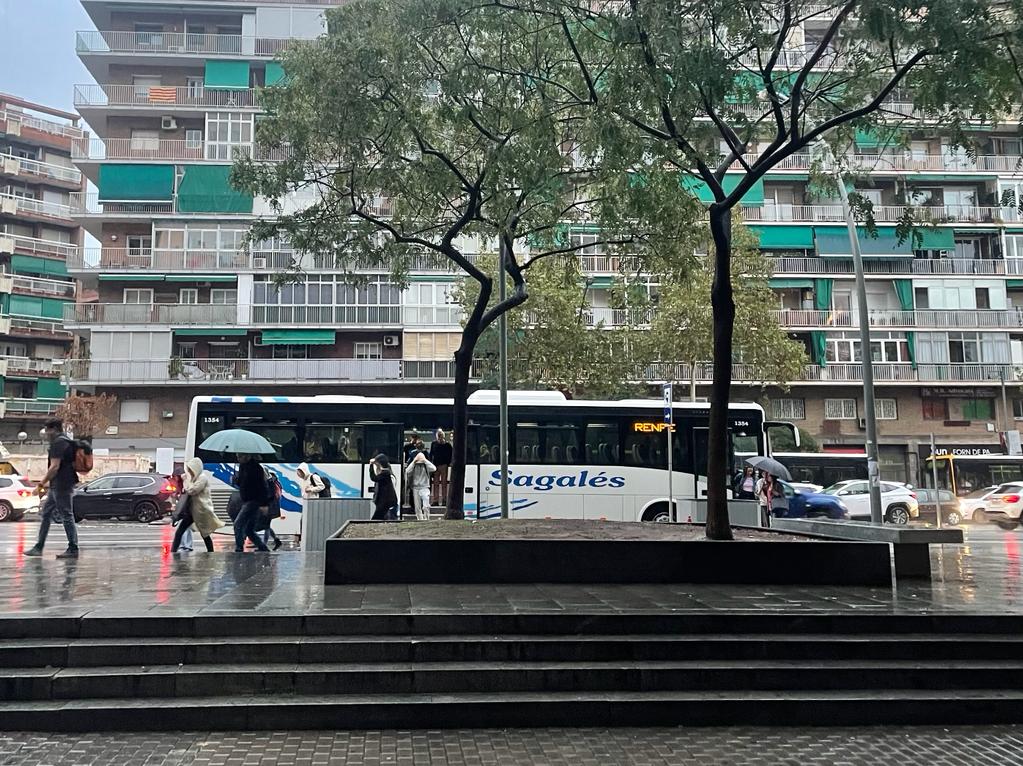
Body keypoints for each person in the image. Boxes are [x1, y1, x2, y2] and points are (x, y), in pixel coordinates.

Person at [24, 418, 80, 559]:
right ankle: (39, 546)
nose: (46, 433)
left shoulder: (58, 443)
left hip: (62, 485)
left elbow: (54, 467)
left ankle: (73, 548)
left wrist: (41, 484)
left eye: (47, 430)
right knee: (46, 514)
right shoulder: (66, 441)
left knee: (66, 515)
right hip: (61, 483)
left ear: (53, 429)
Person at [172, 458, 220, 553]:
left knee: (205, 533)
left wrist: (185, 481)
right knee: (180, 531)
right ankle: (173, 551)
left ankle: (211, 552)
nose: (189, 471)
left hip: (201, 510)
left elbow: (192, 491)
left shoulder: (202, 478)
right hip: (193, 510)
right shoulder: (195, 478)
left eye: (191, 469)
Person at [233, 454, 271, 552]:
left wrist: (264, 504)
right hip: (247, 500)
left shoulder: (256, 468)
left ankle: (239, 548)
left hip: (253, 501)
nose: (238, 458)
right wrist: (236, 480)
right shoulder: (242, 467)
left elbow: (262, 487)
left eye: (240, 456)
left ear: (247, 456)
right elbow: (241, 483)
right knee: (249, 529)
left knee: (238, 524)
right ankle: (263, 547)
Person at [405, 449, 436, 521]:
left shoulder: (426, 465)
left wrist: (425, 460)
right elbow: (407, 471)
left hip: (425, 487)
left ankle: (426, 518)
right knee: (417, 507)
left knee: (426, 506)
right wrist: (414, 461)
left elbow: (434, 468)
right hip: (415, 487)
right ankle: (420, 520)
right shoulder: (414, 465)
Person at [369, 454, 399, 521]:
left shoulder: (385, 474)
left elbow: (373, 478)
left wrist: (371, 465)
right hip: (385, 503)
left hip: (384, 503)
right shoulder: (387, 473)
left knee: (377, 519)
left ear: (379, 464)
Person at [428, 429, 452, 506]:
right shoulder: (434, 443)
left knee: (444, 483)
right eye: (439, 435)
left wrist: (448, 463)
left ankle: (444, 499)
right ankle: (436, 500)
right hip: (435, 465)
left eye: (441, 435)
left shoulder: (447, 445)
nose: (439, 437)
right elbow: (431, 454)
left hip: (443, 465)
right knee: (436, 483)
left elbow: (450, 455)